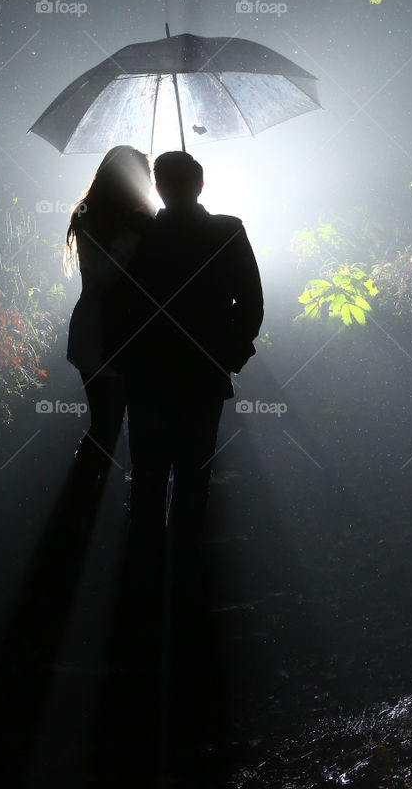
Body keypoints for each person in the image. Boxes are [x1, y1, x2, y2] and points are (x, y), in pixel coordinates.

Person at [107, 150, 263, 572]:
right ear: (201, 185)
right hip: (202, 373)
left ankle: (144, 571)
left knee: (148, 476)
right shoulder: (228, 231)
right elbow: (251, 304)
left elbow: (116, 302)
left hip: (147, 373)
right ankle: (188, 570)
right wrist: (229, 354)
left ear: (156, 188)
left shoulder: (138, 234)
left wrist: (123, 355)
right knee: (194, 474)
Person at [64, 145, 156, 483]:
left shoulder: (141, 217)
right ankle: (84, 495)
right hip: (99, 335)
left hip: (135, 335)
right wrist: (134, 232)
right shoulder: (90, 216)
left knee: (131, 427)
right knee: (107, 426)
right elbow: (102, 276)